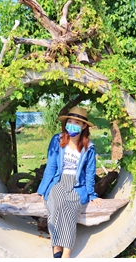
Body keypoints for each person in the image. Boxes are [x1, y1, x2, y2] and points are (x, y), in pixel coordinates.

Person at [36, 106, 98, 258]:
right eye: (69, 121)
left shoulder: (89, 147)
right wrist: (42, 190)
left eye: (76, 122)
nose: (72, 124)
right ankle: (57, 248)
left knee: (69, 208)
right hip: (59, 181)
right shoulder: (57, 140)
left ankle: (66, 254)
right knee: (56, 203)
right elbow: (51, 167)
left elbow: (90, 173)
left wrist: (92, 194)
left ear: (84, 126)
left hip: (78, 185)